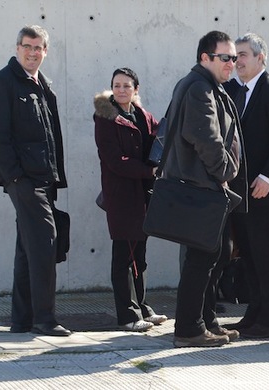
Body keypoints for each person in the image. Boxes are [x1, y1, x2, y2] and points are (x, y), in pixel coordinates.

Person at [0, 25, 71, 337]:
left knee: (28, 248)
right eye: (27, 46)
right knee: (45, 244)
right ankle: (45, 319)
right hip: (24, 180)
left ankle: (21, 320)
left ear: (45, 52)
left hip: (44, 178)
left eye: (38, 48)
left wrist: (55, 177)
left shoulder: (43, 86)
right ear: (17, 47)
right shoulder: (2, 83)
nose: (33, 53)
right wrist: (15, 176)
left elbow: (51, 136)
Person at [165, 30, 243, 348]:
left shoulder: (209, 86)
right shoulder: (199, 87)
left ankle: (207, 320)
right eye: (225, 58)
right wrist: (225, 170)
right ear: (205, 58)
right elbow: (204, 136)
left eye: (235, 58)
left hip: (207, 185)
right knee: (201, 258)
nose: (232, 64)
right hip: (202, 185)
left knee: (216, 254)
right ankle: (188, 328)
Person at [223, 33, 269, 339]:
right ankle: (254, 312)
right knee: (248, 254)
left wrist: (267, 177)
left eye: (242, 54)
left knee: (265, 253)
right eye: (234, 56)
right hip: (238, 189)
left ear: (260, 58)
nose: (236, 61)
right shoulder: (230, 90)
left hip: (263, 189)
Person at [93, 68, 168, 332]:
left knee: (140, 254)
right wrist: (148, 171)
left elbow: (159, 140)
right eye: (117, 85)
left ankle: (143, 306)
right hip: (121, 195)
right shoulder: (105, 118)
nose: (121, 90)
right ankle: (127, 315)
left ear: (136, 89)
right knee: (124, 255)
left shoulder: (143, 116)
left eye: (126, 86)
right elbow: (114, 161)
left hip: (143, 195)